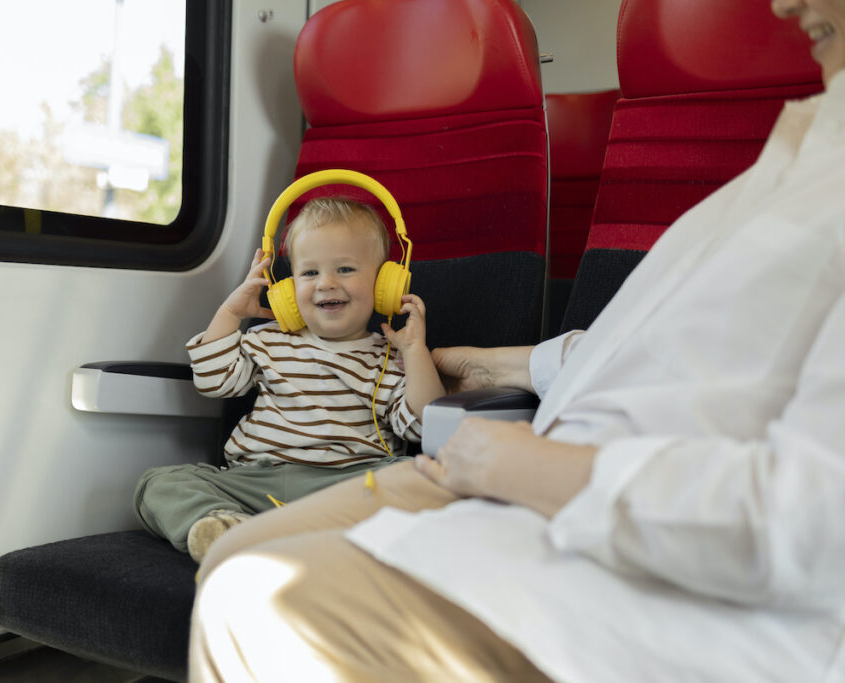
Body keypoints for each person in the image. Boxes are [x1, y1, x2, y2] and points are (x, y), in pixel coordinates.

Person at [187, 0, 845, 679]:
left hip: (624, 524)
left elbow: (812, 514)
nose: (783, 6)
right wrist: (518, 364)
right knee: (234, 555)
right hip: (539, 462)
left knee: (254, 598)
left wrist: (520, 463)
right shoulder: (796, 149)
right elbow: (677, 346)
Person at [134, 197, 444, 562]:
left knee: (419, 475)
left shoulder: (390, 356)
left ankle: (324, 532)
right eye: (309, 273)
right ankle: (224, 528)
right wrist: (232, 312)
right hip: (256, 482)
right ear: (287, 289)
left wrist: (416, 351)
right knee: (159, 484)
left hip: (347, 483)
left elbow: (422, 425)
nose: (326, 283)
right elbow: (214, 381)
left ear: (383, 284)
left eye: (345, 269)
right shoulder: (267, 339)